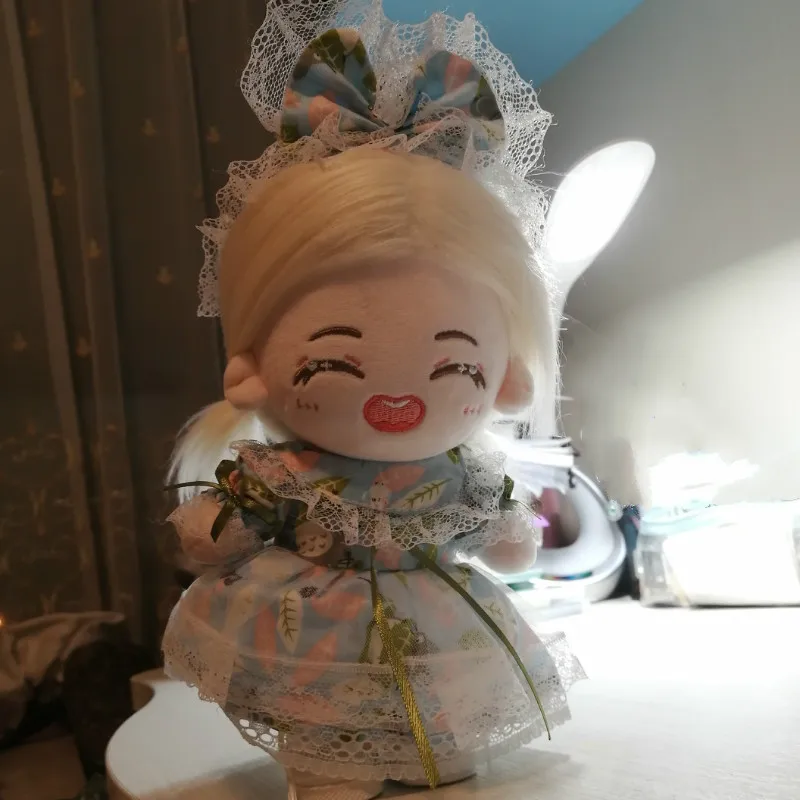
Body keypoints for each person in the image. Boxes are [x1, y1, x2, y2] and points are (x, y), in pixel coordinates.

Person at [162, 4, 584, 798]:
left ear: (505, 378)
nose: (397, 395)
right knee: (323, 715)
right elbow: (223, 531)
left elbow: (505, 541)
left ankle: (428, 749)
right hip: (309, 630)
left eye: (452, 364)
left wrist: (508, 531)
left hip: (439, 620)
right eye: (336, 359)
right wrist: (217, 527)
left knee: (442, 719)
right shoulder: (286, 474)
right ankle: (331, 762)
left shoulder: (461, 478)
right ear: (252, 368)